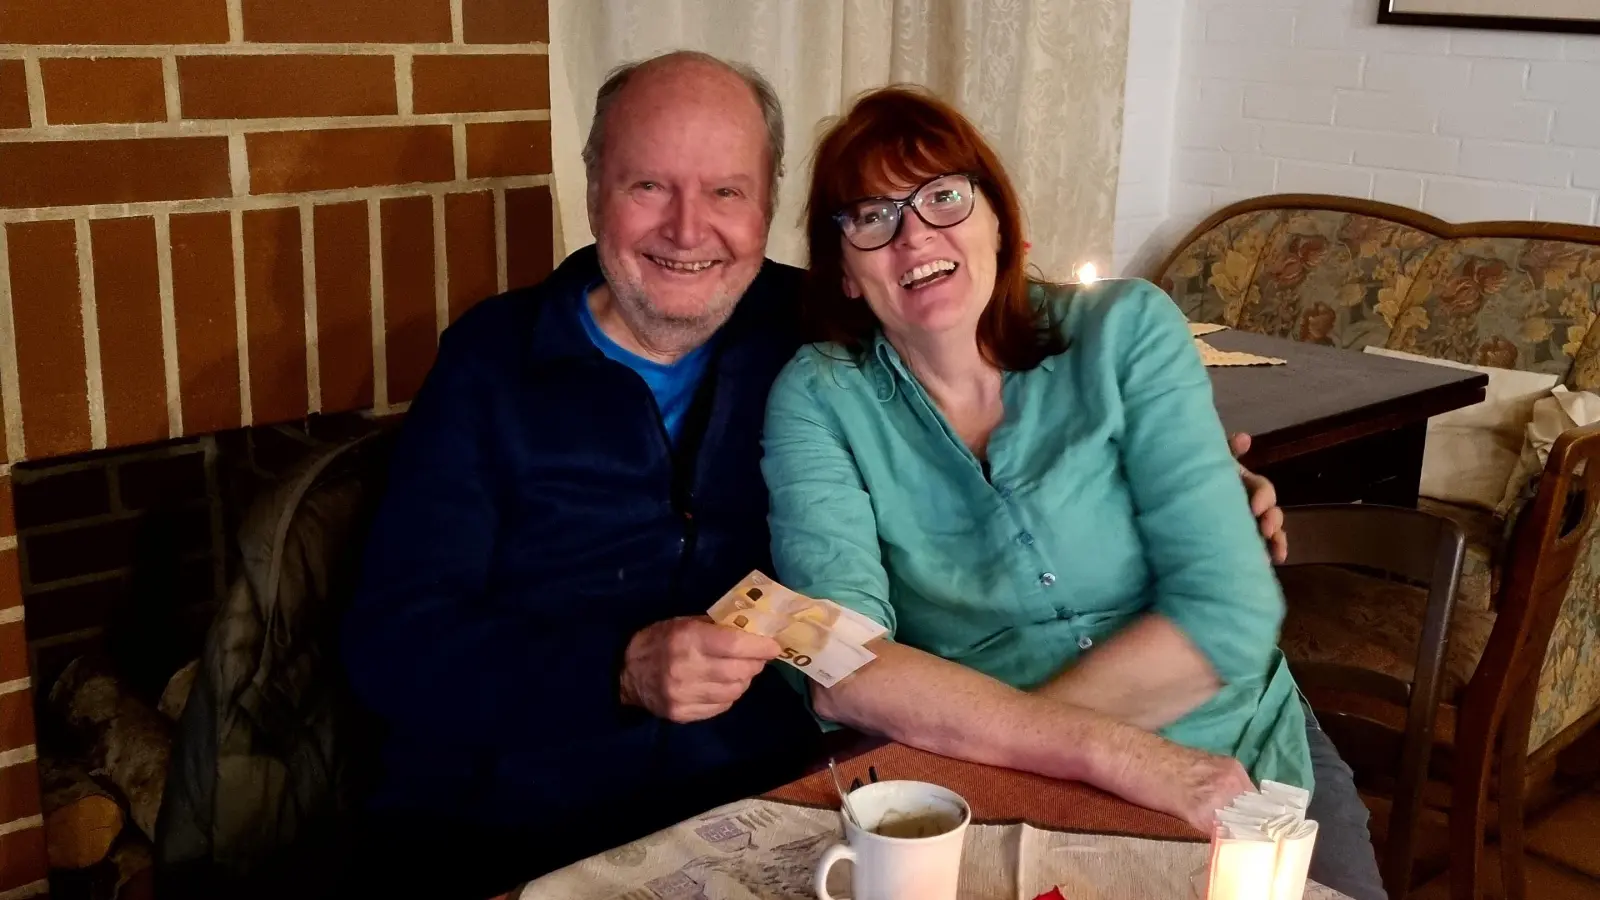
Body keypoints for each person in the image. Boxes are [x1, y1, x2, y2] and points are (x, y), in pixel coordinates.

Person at [341, 51, 1290, 896]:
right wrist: (616, 672)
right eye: (647, 187)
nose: (688, 229)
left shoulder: (813, 334)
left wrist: (1210, 487)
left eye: (726, 192)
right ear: (592, 188)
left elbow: (994, 360)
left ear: (767, 203)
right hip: (516, 811)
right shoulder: (494, 362)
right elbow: (393, 642)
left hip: (771, 795)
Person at [760, 86, 1385, 900]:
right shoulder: (815, 397)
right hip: (1002, 791)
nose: (916, 235)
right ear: (843, 271)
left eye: (945, 196)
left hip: (1232, 752)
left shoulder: (1126, 330)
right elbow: (838, 663)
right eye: (872, 217)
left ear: (1000, 222)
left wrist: (997, 731)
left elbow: (1224, 615)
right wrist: (1094, 751)